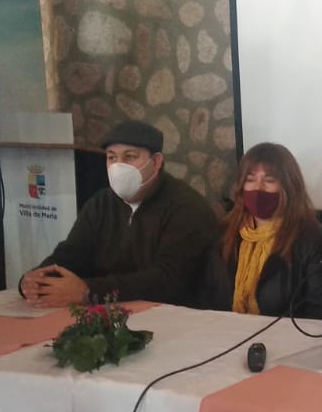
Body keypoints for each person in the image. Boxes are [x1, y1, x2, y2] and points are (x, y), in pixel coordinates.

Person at [19, 120, 217, 307]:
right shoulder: (101, 203)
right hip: (110, 312)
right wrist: (35, 279)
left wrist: (89, 291)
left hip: (177, 316)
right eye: (112, 157)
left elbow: (168, 279)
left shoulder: (187, 207)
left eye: (130, 157)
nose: (118, 166)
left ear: (156, 162)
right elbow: (71, 253)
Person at [203, 142, 322, 318]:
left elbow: (319, 313)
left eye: (269, 180)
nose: (258, 188)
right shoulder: (224, 232)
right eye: (250, 180)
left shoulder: (314, 239)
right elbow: (209, 297)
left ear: (288, 187)